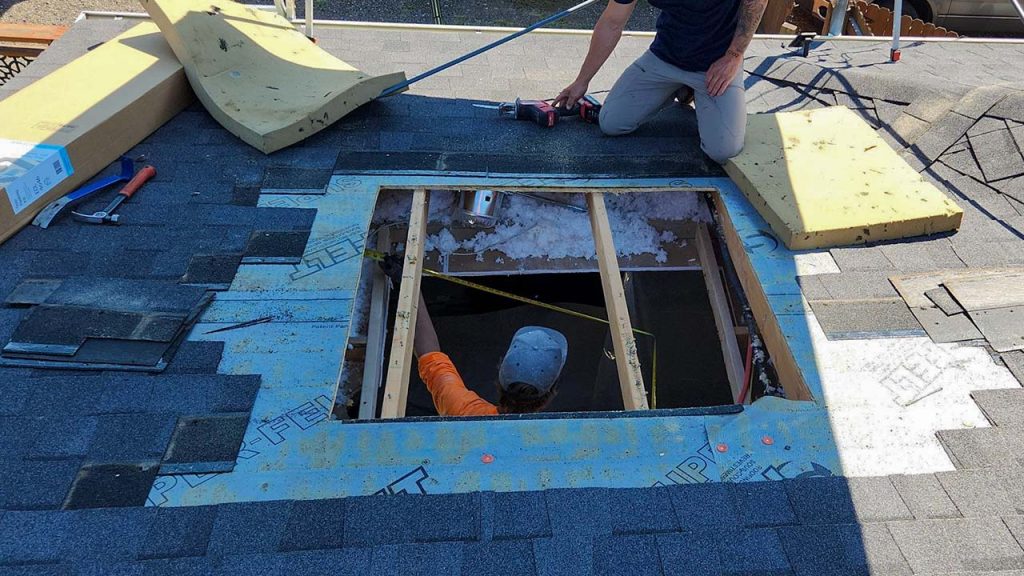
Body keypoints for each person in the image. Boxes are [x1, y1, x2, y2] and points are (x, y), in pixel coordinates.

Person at [552, 0, 768, 164]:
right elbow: (611, 22)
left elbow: (756, 1)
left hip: (716, 65)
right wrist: (582, 80)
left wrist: (734, 55)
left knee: (722, 151)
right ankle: (677, 89)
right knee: (611, 123)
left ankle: (691, 90)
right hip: (665, 56)